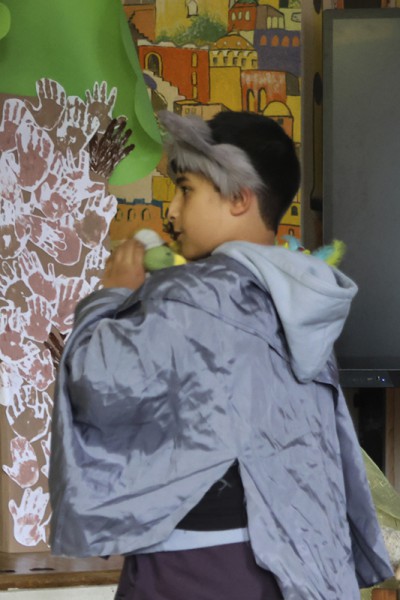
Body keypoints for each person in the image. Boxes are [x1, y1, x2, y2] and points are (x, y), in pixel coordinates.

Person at [49, 110, 393, 600]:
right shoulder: (302, 302)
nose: (172, 212)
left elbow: (99, 384)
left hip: (195, 568)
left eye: (186, 190)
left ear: (239, 198)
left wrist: (111, 296)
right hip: (296, 561)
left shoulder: (194, 293)